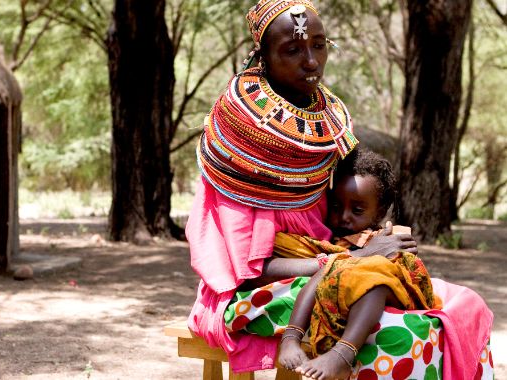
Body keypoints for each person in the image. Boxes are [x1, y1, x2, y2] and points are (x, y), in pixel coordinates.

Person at [186, 0, 493, 378]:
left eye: (319, 44)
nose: (312, 60)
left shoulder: (328, 127)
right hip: (254, 293)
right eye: (293, 49)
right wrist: (345, 261)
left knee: (465, 305)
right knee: (405, 337)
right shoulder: (242, 144)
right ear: (262, 57)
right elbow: (248, 271)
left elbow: (356, 202)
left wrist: (374, 240)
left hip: (330, 270)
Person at [275, 148, 438, 379]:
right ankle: (291, 338)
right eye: (336, 207)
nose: (344, 217)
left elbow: (406, 269)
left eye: (357, 210)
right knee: (331, 267)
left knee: (373, 278)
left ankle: (342, 354)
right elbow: (327, 267)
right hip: (342, 276)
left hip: (388, 290)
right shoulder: (332, 241)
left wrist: (367, 257)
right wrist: (347, 259)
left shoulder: (388, 237)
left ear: (380, 211)